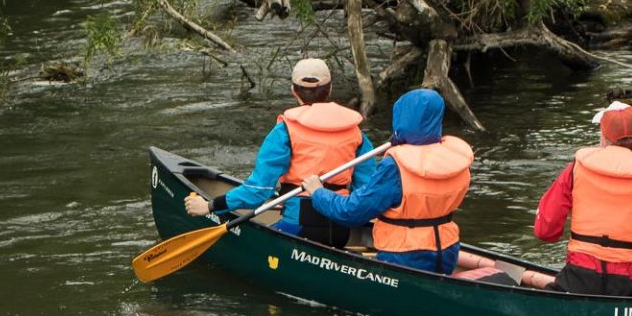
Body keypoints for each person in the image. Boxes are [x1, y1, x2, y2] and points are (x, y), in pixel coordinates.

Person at [183, 57, 377, 247]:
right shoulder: (356, 133)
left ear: (293, 91)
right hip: (341, 230)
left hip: (298, 227)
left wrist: (209, 206)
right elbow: (366, 192)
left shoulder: (285, 131)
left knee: (257, 242)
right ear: (330, 89)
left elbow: (258, 192)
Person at [302, 87, 473, 274]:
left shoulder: (395, 166)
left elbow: (352, 212)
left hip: (403, 253)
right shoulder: (455, 159)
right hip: (447, 249)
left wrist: (318, 192)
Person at [532, 101, 632, 296]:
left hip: (579, 277)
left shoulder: (575, 169)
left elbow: (546, 230)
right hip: (627, 285)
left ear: (603, 137)